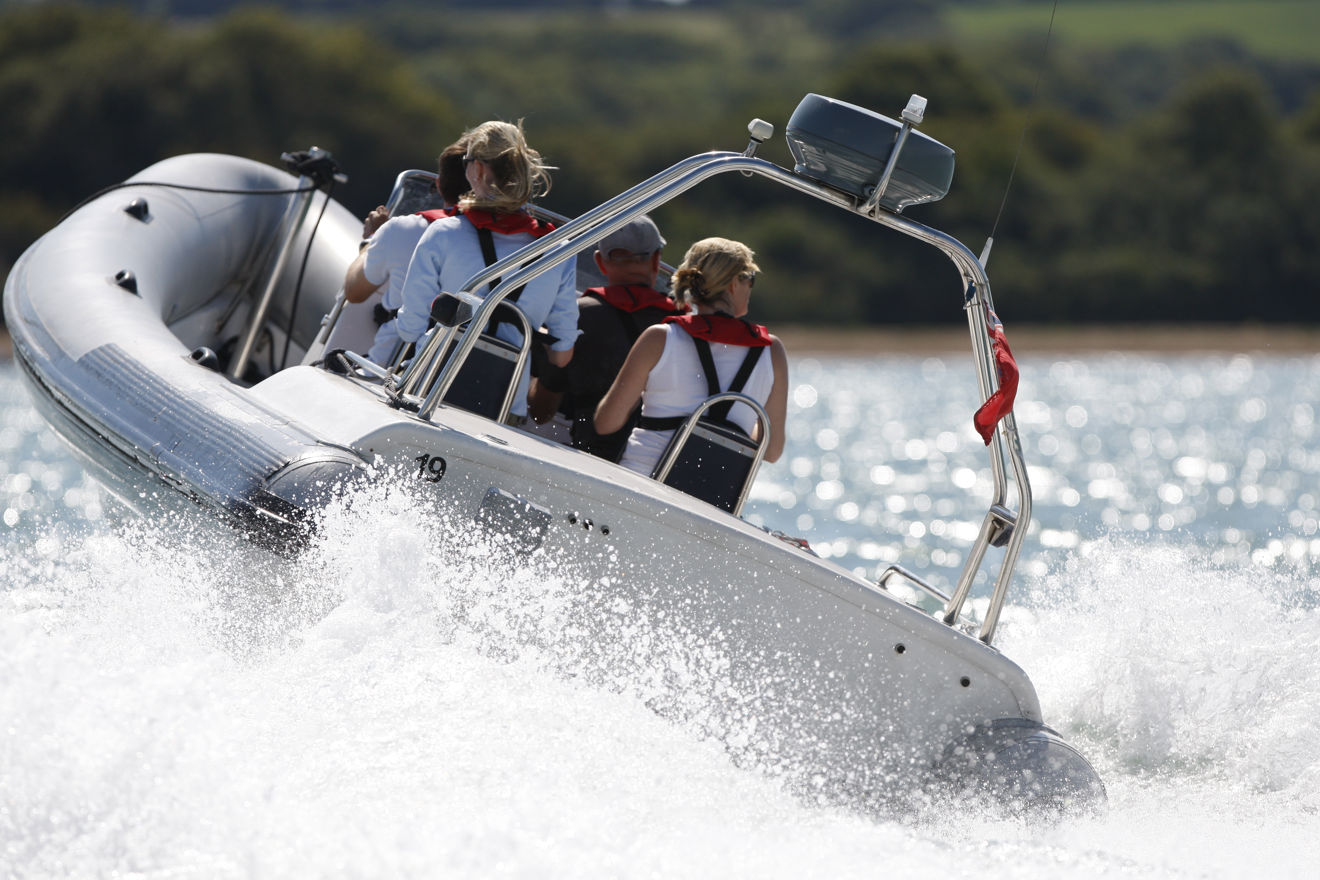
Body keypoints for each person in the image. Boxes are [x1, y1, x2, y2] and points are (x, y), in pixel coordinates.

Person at [395, 120, 577, 423]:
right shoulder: (559, 250)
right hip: (504, 408)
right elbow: (561, 354)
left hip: (428, 391)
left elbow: (410, 329)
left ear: (477, 169)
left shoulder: (443, 232)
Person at [594, 237, 788, 478]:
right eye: (750, 279)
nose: (750, 287)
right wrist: (738, 423)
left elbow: (606, 423)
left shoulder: (658, 338)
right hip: (712, 491)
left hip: (642, 477)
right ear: (733, 284)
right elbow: (772, 451)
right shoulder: (772, 350)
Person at [530, 214, 683, 460]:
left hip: (587, 455)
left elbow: (541, 412)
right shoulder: (681, 326)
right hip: (652, 461)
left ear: (600, 262)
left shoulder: (579, 315)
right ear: (656, 260)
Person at [339, 136, 470, 365]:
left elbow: (354, 292)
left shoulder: (403, 229)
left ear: (439, 185)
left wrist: (373, 238)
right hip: (461, 369)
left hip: (389, 367)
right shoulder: (520, 248)